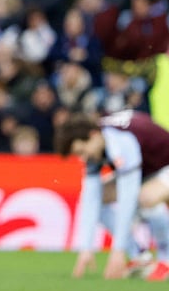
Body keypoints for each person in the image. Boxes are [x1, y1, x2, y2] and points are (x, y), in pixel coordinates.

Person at [54, 111, 169, 282]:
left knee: (146, 197)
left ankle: (165, 259)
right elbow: (90, 198)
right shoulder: (100, 139)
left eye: (82, 151)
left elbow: (127, 200)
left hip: (164, 165)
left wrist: (117, 251)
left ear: (93, 135)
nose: (84, 157)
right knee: (102, 195)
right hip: (149, 170)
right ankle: (139, 256)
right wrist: (86, 248)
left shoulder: (121, 141)